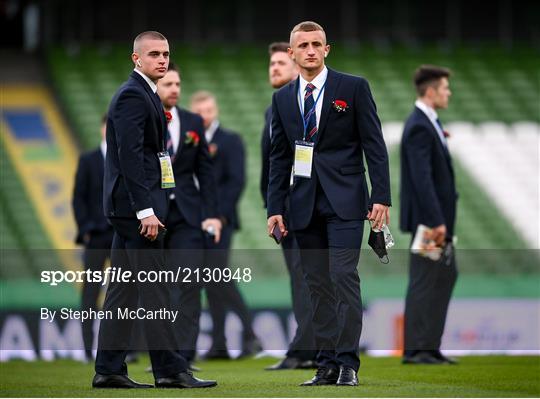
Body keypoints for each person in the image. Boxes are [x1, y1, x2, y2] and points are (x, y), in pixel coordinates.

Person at [266, 21, 391, 386]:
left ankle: (348, 363)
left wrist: (380, 196)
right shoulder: (282, 98)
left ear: (326, 49)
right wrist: (275, 207)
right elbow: (279, 157)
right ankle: (325, 365)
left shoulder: (352, 88)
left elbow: (375, 145)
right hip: (303, 205)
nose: (309, 50)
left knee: (342, 277)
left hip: (346, 202)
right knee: (315, 285)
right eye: (302, 45)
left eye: (316, 44)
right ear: (291, 53)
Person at [93, 31, 216, 389]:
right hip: (136, 210)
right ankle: (170, 370)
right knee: (155, 288)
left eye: (165, 54)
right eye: (154, 54)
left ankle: (109, 369)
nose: (162, 59)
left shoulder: (145, 92)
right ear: (136, 59)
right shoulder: (134, 94)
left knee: (123, 289)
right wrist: (145, 210)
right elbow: (131, 158)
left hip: (128, 207)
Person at [156, 64, 221, 367]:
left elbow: (205, 174)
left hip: (188, 216)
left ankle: (184, 356)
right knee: (155, 289)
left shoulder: (194, 122)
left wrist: (212, 215)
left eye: (177, 84)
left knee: (190, 284)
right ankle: (163, 356)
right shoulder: (143, 119)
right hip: (152, 216)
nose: (174, 89)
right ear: (155, 85)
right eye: (168, 83)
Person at [190, 91, 261, 359]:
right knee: (210, 281)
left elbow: (236, 181)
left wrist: (219, 216)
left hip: (220, 219)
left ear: (215, 110)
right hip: (194, 220)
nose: (204, 116)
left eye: (208, 110)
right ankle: (219, 342)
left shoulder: (230, 141)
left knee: (216, 274)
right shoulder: (190, 141)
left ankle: (249, 331)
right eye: (199, 112)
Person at [261, 42, 317, 370]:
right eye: (271, 64)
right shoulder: (276, 107)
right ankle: (305, 348)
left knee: (307, 278)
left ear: (297, 66)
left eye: (281, 63)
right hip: (284, 209)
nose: (275, 69)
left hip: (302, 205)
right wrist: (271, 205)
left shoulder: (305, 107)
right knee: (299, 279)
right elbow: (273, 164)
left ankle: (305, 350)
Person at [400, 65, 458, 365]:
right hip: (429, 223)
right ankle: (417, 349)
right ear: (431, 91)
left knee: (443, 276)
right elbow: (422, 179)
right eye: (445, 88)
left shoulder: (429, 123)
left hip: (435, 222)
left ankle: (428, 346)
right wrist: (436, 221)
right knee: (425, 280)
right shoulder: (420, 125)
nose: (449, 93)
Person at [72, 114, 114, 361]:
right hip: (97, 236)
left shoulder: (124, 159)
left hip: (119, 234)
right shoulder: (88, 160)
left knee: (124, 291)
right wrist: (85, 228)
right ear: (101, 129)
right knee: (90, 292)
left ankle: (123, 348)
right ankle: (87, 348)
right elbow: (79, 197)